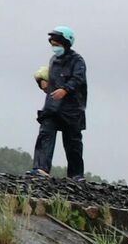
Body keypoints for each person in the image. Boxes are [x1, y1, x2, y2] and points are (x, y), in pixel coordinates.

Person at [32, 26, 88, 178]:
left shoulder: (77, 60)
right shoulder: (53, 60)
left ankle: (76, 176)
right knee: (45, 135)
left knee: (73, 144)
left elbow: (78, 78)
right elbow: (48, 77)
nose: (54, 48)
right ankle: (41, 168)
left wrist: (65, 89)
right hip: (52, 108)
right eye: (53, 44)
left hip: (72, 109)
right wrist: (42, 83)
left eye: (57, 44)